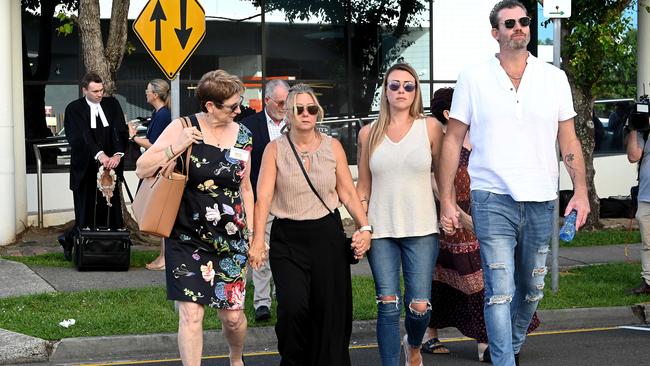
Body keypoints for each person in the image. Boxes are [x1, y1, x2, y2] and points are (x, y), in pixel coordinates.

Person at [438, 2, 590, 365]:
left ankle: (509, 346)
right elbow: (452, 139)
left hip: (541, 199)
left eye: (524, 21)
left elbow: (568, 140)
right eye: (510, 23)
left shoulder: (554, 78)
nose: (519, 27)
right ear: (496, 32)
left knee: (532, 289)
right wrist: (446, 199)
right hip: (492, 198)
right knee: (500, 292)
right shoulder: (473, 77)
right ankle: (504, 360)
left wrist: (581, 190)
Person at [135, 69, 253, 366]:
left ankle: (236, 358)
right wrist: (177, 146)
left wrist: (253, 235)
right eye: (232, 106)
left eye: (239, 104)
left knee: (233, 317)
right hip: (186, 237)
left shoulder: (243, 135)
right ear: (210, 105)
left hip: (230, 239)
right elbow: (142, 167)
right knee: (191, 315)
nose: (239, 111)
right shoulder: (182, 126)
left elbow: (246, 187)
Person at [248, 83, 372, 366]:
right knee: (293, 308)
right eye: (298, 109)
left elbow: (348, 193)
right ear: (288, 114)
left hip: (327, 237)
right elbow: (263, 198)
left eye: (311, 109)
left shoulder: (333, 147)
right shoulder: (274, 150)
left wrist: (364, 228)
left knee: (328, 312)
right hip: (288, 240)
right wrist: (257, 240)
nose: (306, 114)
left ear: (318, 113)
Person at [423, 87, 540, 362]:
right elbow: (434, 180)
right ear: (449, 113)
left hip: (487, 218)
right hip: (454, 223)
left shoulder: (482, 138)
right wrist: (458, 215)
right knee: (449, 282)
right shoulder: (442, 141)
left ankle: (489, 338)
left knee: (486, 281)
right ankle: (441, 336)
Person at [356, 63, 443, 366]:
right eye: (395, 85)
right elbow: (363, 187)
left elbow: (442, 176)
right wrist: (361, 225)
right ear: (386, 91)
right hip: (381, 231)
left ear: (417, 90)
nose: (401, 91)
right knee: (388, 304)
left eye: (408, 85)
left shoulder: (430, 127)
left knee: (419, 306)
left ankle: (415, 347)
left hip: (422, 228)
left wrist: (449, 207)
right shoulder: (368, 133)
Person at [59, 72, 128, 261]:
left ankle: (111, 251)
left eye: (101, 90)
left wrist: (117, 155)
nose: (99, 94)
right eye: (95, 91)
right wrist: (100, 155)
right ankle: (74, 241)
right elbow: (80, 137)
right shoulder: (74, 109)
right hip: (86, 168)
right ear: (84, 90)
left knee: (109, 209)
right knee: (85, 211)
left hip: (110, 168)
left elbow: (120, 130)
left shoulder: (112, 104)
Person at [241, 79, 290, 322]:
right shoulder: (249, 126)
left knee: (288, 251)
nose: (284, 106)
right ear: (267, 100)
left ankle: (287, 296)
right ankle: (262, 302)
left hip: (291, 198)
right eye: (280, 102)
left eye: (287, 101)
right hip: (262, 199)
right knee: (261, 248)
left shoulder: (296, 123)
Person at [129, 79, 172, 271]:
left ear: (155, 94)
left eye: (147, 91)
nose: (145, 93)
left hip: (158, 170)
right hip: (153, 168)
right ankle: (162, 256)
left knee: (160, 214)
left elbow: (156, 144)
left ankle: (164, 258)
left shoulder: (163, 115)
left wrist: (134, 137)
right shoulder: (158, 114)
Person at [625, 114, 650, 295]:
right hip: (646, 195)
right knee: (647, 242)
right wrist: (634, 127)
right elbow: (633, 156)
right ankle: (648, 281)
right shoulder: (644, 133)